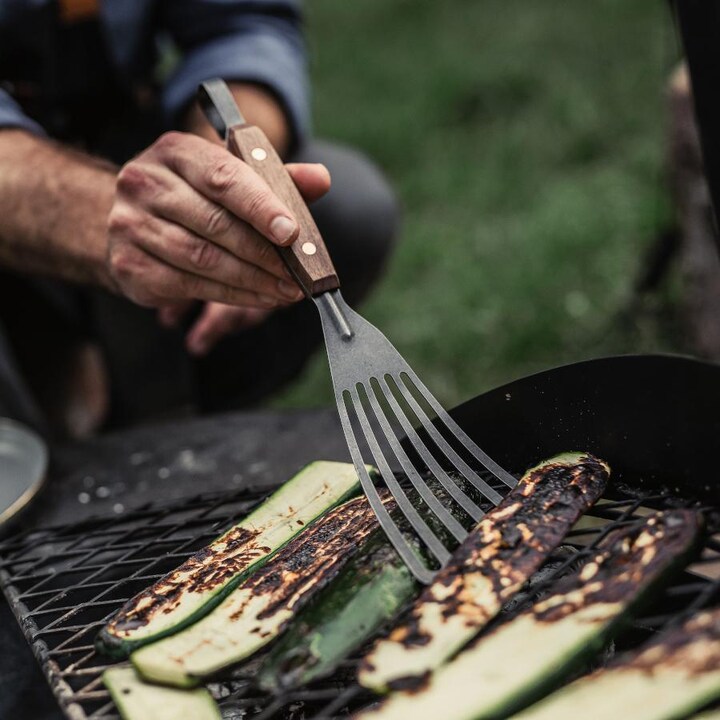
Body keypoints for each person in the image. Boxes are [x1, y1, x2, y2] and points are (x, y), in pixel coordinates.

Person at [0, 0, 399, 438]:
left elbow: (240, 24)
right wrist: (103, 213)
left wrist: (217, 183)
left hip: (124, 129)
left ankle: (183, 437)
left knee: (347, 205)